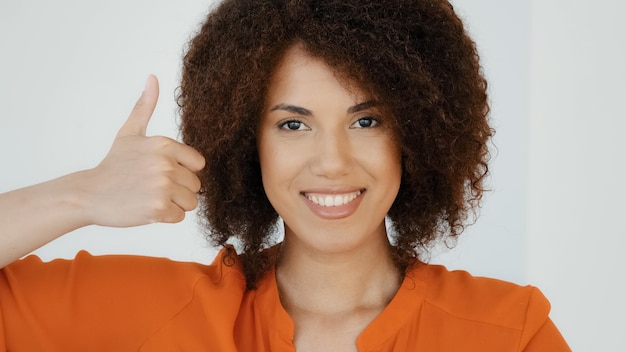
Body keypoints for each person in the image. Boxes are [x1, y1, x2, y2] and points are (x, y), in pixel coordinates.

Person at [0, 0, 570, 350]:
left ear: (415, 135)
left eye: (366, 120)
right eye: (293, 125)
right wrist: (81, 195)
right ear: (249, 143)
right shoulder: (161, 313)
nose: (332, 162)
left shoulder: (507, 332)